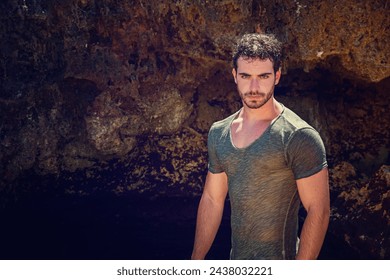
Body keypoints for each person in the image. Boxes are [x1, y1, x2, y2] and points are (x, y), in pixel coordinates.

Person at [191, 33, 330, 260]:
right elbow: (212, 199)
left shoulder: (298, 136)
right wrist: (194, 263)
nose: (254, 87)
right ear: (234, 75)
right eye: (246, 76)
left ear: (277, 76)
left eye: (263, 76)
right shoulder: (219, 133)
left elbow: (319, 211)